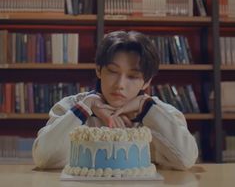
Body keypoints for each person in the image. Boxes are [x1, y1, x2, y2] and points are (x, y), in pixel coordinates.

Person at [32, 30, 198, 170]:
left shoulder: (163, 113)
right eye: (112, 71)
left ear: (146, 81)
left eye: (133, 76)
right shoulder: (71, 107)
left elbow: (186, 160)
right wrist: (87, 105)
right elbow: (43, 158)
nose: (120, 85)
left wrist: (145, 107)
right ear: (98, 70)